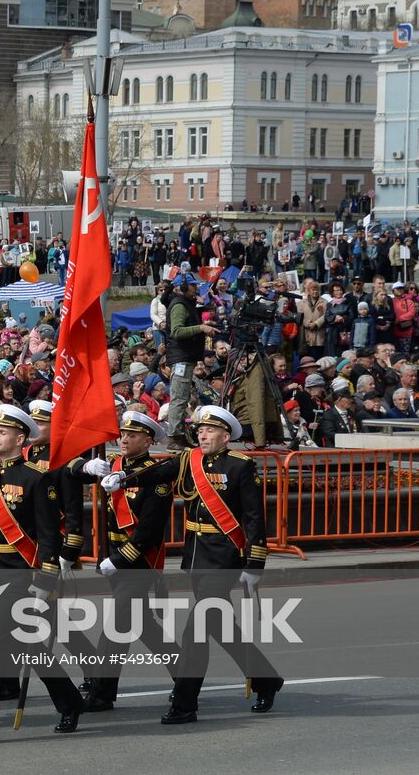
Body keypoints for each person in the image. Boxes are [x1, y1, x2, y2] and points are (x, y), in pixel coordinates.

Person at [0, 403, 81, 747]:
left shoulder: (35, 479)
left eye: (3, 431)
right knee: (33, 648)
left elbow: (50, 534)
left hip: (23, 575)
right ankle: (70, 702)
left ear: (20, 437)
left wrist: (46, 580)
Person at [164, 405, 283, 725]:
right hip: (197, 554)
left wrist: (254, 563)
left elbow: (254, 517)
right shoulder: (191, 461)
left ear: (225, 435)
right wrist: (122, 475)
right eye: (200, 430)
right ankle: (266, 679)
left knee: (196, 629)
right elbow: (159, 473)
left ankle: (185, 701)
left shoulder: (240, 465)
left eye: (210, 430)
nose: (202, 434)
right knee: (221, 627)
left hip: (225, 556)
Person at [78, 411, 177, 711]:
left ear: (148, 440)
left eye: (132, 435)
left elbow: (148, 530)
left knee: (116, 627)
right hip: (116, 559)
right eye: (122, 434)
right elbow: (109, 518)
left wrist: (119, 559)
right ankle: (187, 676)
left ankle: (101, 693)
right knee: (145, 626)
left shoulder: (155, 478)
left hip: (138, 562)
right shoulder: (117, 467)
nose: (123, 439)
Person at [164, 274, 217, 444]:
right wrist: (201, 327)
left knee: (182, 397)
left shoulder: (186, 303)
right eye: (193, 286)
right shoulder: (179, 305)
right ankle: (174, 437)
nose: (196, 288)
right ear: (183, 287)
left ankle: (179, 434)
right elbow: (177, 331)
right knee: (179, 398)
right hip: (181, 358)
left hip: (185, 357)